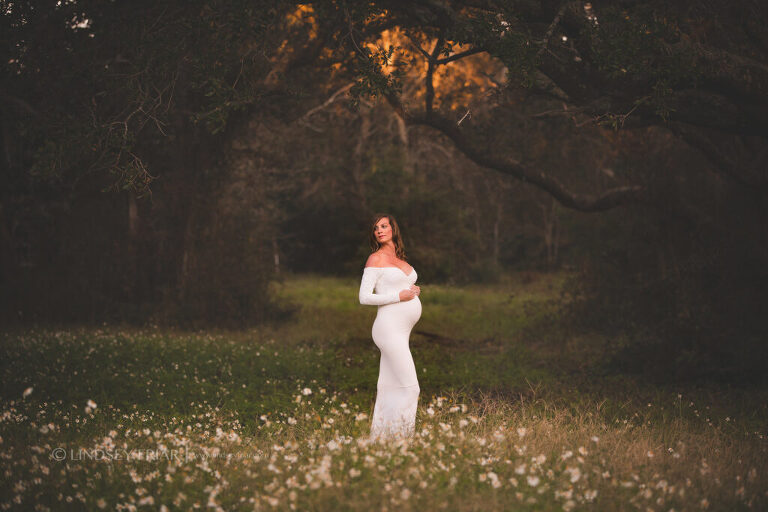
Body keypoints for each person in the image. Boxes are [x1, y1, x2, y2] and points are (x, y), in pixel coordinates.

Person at [358, 213, 422, 442]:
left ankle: (383, 440)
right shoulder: (375, 259)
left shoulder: (399, 258)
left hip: (401, 331)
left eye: (384, 226)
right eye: (376, 228)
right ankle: (403, 440)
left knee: (390, 386)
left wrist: (412, 291)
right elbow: (364, 297)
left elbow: (403, 287)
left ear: (393, 229)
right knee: (410, 387)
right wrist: (399, 295)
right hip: (388, 330)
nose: (380, 230)